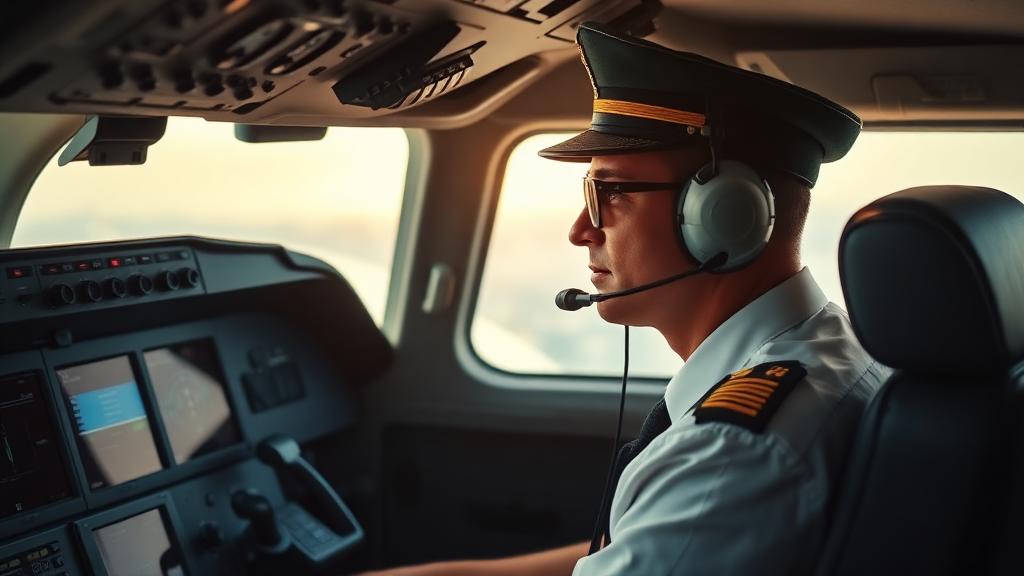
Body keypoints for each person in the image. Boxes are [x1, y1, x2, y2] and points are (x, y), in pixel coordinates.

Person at [363, 21, 890, 576]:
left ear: (725, 217)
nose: (580, 231)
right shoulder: (827, 348)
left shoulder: (731, 456)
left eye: (609, 193)